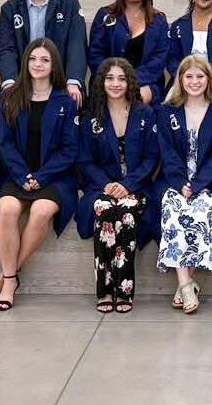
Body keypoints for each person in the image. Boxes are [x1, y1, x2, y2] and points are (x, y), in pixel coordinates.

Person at [0, 38, 79, 311]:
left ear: (53, 65)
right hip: (17, 173)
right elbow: (5, 143)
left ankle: (5, 276)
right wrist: (23, 175)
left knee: (40, 212)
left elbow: (69, 149)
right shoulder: (11, 98)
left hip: (54, 176)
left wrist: (42, 176)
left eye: (45, 60)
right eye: (34, 59)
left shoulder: (65, 102)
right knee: (8, 208)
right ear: (26, 62)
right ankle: (11, 280)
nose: (38, 64)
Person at [76, 58, 159, 314]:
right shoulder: (90, 116)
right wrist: (108, 185)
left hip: (137, 188)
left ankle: (123, 291)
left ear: (129, 82)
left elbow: (151, 158)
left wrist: (128, 185)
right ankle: (104, 290)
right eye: (110, 78)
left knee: (126, 213)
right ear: (101, 81)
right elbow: (84, 160)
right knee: (105, 210)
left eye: (121, 78)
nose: (115, 83)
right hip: (100, 188)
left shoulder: (144, 113)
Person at [155, 55, 212, 315]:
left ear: (209, 79)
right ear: (180, 79)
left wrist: (197, 185)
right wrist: (181, 184)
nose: (194, 81)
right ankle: (187, 284)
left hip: (210, 181)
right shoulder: (167, 112)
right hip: (174, 180)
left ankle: (183, 286)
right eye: (188, 76)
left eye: (200, 76)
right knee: (173, 210)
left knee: (201, 211)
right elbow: (167, 153)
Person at [0, 0, 89, 105]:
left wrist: (73, 81)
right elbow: (6, 48)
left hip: (61, 82)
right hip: (23, 83)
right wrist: (9, 81)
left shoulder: (70, 4)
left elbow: (77, 45)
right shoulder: (10, 8)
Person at [89, 0, 170, 104]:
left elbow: (160, 58)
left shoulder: (159, 20)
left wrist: (131, 82)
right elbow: (95, 54)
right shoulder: (105, 15)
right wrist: (116, 81)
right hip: (108, 85)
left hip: (146, 84)